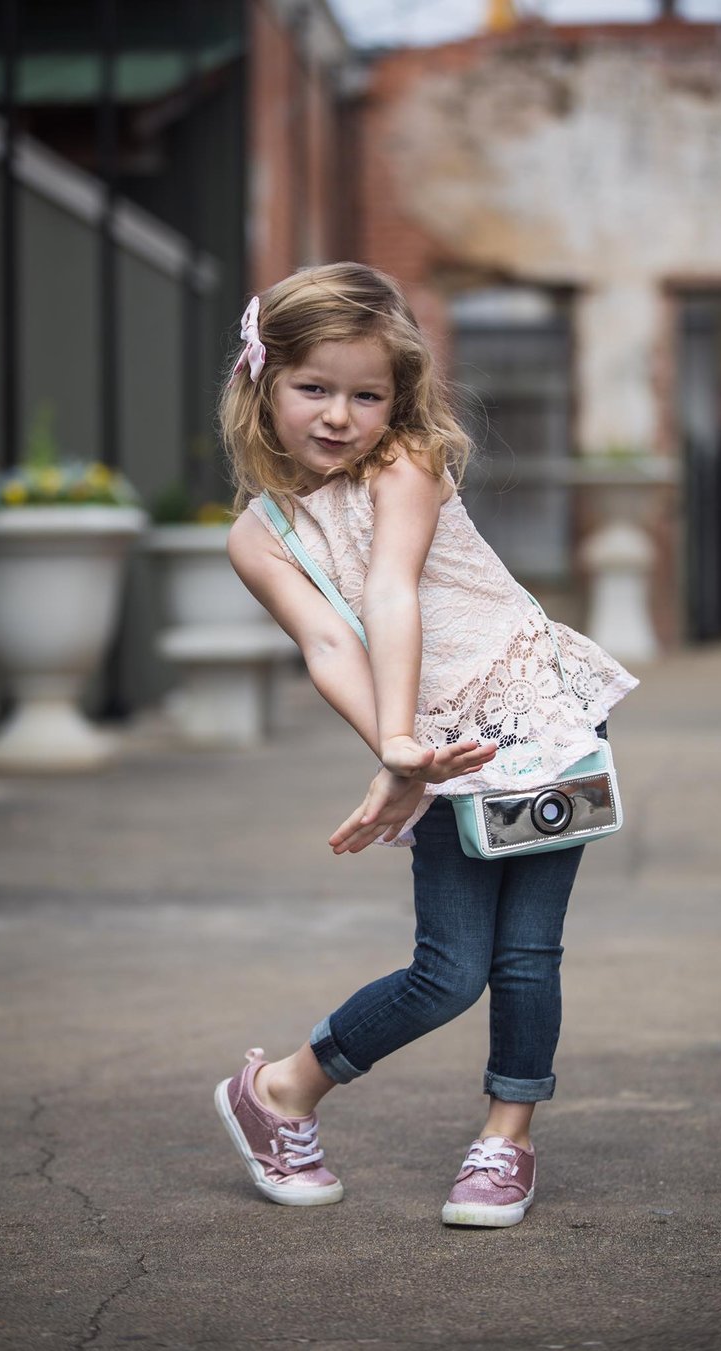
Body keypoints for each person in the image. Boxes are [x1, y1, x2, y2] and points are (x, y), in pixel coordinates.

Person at [214, 262, 638, 1228]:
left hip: (544, 715)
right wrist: (398, 750)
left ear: (396, 399)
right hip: (443, 750)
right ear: (260, 381)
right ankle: (278, 1088)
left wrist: (403, 740)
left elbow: (391, 589)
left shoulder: (403, 463)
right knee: (448, 971)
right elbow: (330, 641)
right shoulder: (259, 537)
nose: (339, 415)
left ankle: (507, 1139)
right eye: (312, 388)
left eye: (366, 394)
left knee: (529, 953)